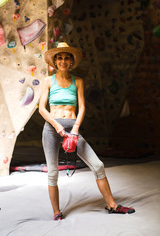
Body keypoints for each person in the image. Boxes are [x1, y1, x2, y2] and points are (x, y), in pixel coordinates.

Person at [39, 42, 135, 220]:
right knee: (52, 172)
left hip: (72, 128)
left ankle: (112, 205)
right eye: (59, 57)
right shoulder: (47, 81)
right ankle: (56, 212)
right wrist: (56, 125)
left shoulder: (79, 81)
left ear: (71, 62)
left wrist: (75, 129)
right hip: (52, 129)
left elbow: (82, 107)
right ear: (54, 61)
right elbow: (42, 109)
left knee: (98, 165)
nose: (63, 61)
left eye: (67, 58)